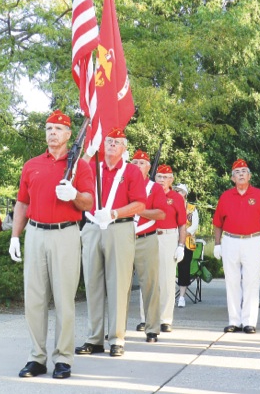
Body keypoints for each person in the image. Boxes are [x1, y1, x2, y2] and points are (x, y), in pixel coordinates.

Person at [8, 110, 94, 380]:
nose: (52, 133)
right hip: (35, 233)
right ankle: (37, 357)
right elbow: (22, 202)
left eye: (58, 128)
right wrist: (15, 236)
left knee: (64, 300)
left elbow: (88, 202)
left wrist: (74, 195)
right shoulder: (31, 164)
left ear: (69, 135)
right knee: (34, 299)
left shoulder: (81, 166)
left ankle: (63, 358)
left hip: (65, 234)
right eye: (48, 128)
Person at [75, 127, 146, 358]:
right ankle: (94, 338)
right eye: (109, 141)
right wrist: (89, 151)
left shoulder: (132, 171)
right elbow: (76, 174)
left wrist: (115, 212)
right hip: (93, 226)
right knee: (93, 284)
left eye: (117, 141)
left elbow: (140, 205)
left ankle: (116, 338)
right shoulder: (92, 166)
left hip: (119, 227)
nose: (112, 144)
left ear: (124, 148)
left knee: (118, 284)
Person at [213, 159, 260, 334]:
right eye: (237, 172)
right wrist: (217, 244)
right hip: (230, 240)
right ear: (232, 178)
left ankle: (249, 321)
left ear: (249, 176)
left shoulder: (259, 195)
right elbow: (217, 223)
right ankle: (234, 320)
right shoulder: (225, 196)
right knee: (231, 281)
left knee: (251, 282)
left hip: (253, 241)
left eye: (244, 171)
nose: (241, 174)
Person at [130, 149, 167, 343]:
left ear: (148, 167)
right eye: (134, 162)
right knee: (119, 285)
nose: (137, 166)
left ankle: (152, 328)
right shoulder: (123, 184)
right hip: (125, 237)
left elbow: (161, 214)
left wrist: (140, 210)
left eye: (142, 163)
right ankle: (114, 330)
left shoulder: (154, 188)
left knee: (150, 284)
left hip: (147, 237)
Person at [154, 164, 187, 332]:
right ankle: (147, 318)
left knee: (167, 280)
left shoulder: (176, 198)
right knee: (149, 279)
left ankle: (165, 319)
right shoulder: (148, 192)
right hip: (150, 236)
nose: (161, 180)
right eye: (159, 176)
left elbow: (182, 224)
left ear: (171, 180)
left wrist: (181, 245)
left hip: (168, 236)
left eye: (165, 177)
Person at [174, 183, 199, 308]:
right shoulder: (171, 204)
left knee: (184, 269)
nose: (176, 192)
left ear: (184, 193)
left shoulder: (192, 208)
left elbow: (194, 226)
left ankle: (182, 297)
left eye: (179, 191)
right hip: (171, 240)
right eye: (175, 190)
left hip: (187, 243)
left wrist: (182, 234)